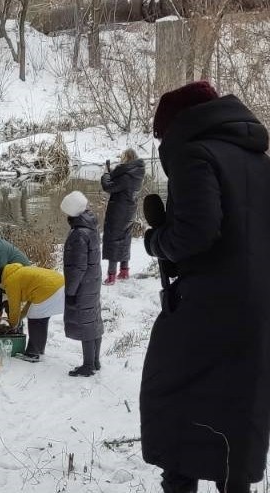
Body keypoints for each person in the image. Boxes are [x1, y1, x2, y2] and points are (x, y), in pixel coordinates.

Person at [142, 81, 270, 493]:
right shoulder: (258, 158)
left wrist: (155, 239)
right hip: (256, 306)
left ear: (176, 124)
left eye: (161, 134)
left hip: (207, 307)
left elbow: (195, 233)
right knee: (237, 406)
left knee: (175, 400)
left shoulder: (193, 152)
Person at [60, 191, 104, 377]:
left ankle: (88, 365)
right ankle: (94, 361)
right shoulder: (90, 226)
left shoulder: (78, 234)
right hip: (92, 281)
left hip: (83, 284)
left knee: (85, 322)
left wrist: (70, 291)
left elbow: (77, 266)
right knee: (93, 319)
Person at [0, 263, 64, 362]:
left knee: (35, 317)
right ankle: (39, 349)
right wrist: (21, 317)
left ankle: (32, 353)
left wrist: (13, 325)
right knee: (41, 317)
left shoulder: (11, 281)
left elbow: (14, 308)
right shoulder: (19, 273)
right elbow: (31, 302)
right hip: (60, 285)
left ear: (0, 282)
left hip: (49, 290)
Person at [100, 148, 145, 285]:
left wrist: (105, 173)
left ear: (127, 159)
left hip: (119, 211)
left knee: (114, 240)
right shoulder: (135, 173)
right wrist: (111, 171)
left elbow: (108, 186)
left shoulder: (126, 176)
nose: (121, 160)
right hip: (129, 210)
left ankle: (111, 275)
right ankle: (124, 271)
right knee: (125, 239)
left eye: (122, 158)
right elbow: (118, 179)